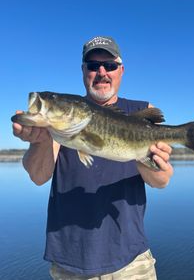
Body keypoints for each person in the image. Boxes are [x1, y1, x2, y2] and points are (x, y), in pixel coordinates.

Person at [12, 36, 173, 280]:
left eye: (109, 65)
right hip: (70, 263)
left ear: (121, 70)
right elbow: (38, 176)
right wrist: (41, 141)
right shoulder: (61, 125)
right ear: (83, 71)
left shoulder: (140, 111)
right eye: (92, 65)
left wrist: (143, 153)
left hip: (132, 263)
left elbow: (161, 181)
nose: (101, 72)